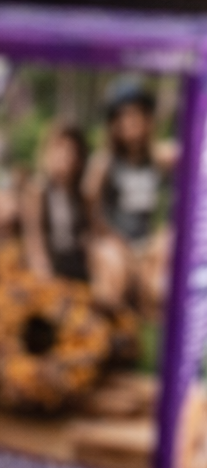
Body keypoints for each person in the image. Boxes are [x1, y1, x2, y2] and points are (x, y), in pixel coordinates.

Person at [85, 77, 178, 313]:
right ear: (113, 124)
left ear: (148, 120)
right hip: (114, 242)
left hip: (147, 243)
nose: (130, 122)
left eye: (137, 115)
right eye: (123, 116)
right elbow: (90, 207)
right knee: (112, 282)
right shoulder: (105, 163)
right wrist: (112, 240)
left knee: (160, 283)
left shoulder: (158, 157)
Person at [22, 121, 89, 281]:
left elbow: (87, 234)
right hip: (49, 266)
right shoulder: (38, 190)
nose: (65, 156)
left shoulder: (80, 195)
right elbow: (34, 239)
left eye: (71, 151)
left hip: (75, 266)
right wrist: (44, 272)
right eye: (59, 148)